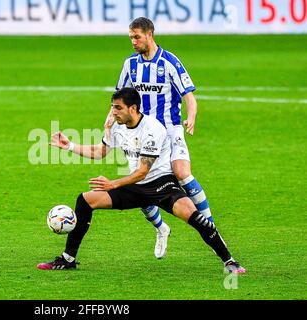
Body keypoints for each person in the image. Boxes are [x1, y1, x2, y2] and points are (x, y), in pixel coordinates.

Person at [37, 88, 245, 274]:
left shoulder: (153, 129)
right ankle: (67, 259)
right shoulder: (116, 126)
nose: (113, 112)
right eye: (112, 108)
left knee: (196, 218)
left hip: (162, 185)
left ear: (133, 108)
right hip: (135, 187)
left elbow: (143, 172)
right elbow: (100, 152)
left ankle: (229, 261)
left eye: (118, 108)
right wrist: (69, 146)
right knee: (85, 200)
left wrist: (113, 184)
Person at [114, 17, 214, 259]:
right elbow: (120, 96)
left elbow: (189, 95)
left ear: (150, 34)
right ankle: (161, 228)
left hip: (170, 128)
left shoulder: (169, 62)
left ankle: (211, 228)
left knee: (182, 173)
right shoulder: (130, 64)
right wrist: (110, 117)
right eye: (131, 37)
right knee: (139, 183)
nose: (133, 42)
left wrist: (191, 117)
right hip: (143, 132)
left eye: (137, 37)